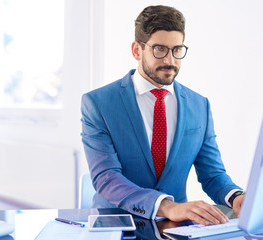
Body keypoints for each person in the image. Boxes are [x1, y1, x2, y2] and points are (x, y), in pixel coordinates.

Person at [81, 5, 244, 225]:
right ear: (137, 50)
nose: (170, 60)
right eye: (160, 49)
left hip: (177, 228)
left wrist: (235, 196)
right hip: (116, 224)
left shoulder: (199, 105)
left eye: (177, 49)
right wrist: (167, 206)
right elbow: (106, 177)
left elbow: (212, 174)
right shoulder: (98, 103)